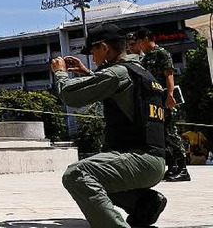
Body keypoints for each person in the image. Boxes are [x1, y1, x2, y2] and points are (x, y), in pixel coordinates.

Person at [51, 23, 167, 228]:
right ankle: (144, 203)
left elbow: (70, 96)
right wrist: (87, 73)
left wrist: (60, 73)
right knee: (100, 172)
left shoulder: (117, 74)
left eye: (93, 51)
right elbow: (112, 86)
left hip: (137, 159)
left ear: (104, 48)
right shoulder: (139, 69)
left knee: (78, 175)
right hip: (153, 160)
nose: (91, 57)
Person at [136, 27, 190, 182]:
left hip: (165, 99)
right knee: (163, 135)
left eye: (139, 42)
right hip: (154, 101)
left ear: (146, 39)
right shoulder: (145, 58)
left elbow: (169, 75)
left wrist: (171, 95)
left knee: (171, 134)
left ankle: (183, 168)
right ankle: (172, 167)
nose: (139, 45)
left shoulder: (162, 53)